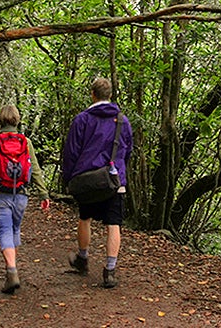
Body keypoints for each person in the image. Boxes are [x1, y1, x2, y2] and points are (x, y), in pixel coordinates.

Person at [62, 77, 133, 288]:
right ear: (109, 95)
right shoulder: (122, 121)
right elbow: (127, 150)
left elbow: (71, 152)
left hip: (88, 180)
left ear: (92, 94)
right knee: (114, 224)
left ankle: (83, 259)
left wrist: (69, 179)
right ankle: (109, 270)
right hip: (114, 180)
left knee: (85, 218)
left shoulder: (82, 120)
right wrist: (120, 172)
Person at [0, 104, 51, 294]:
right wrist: (43, 194)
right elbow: (34, 169)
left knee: (5, 230)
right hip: (20, 195)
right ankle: (12, 269)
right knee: (15, 229)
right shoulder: (25, 142)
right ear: (17, 120)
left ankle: (11, 271)